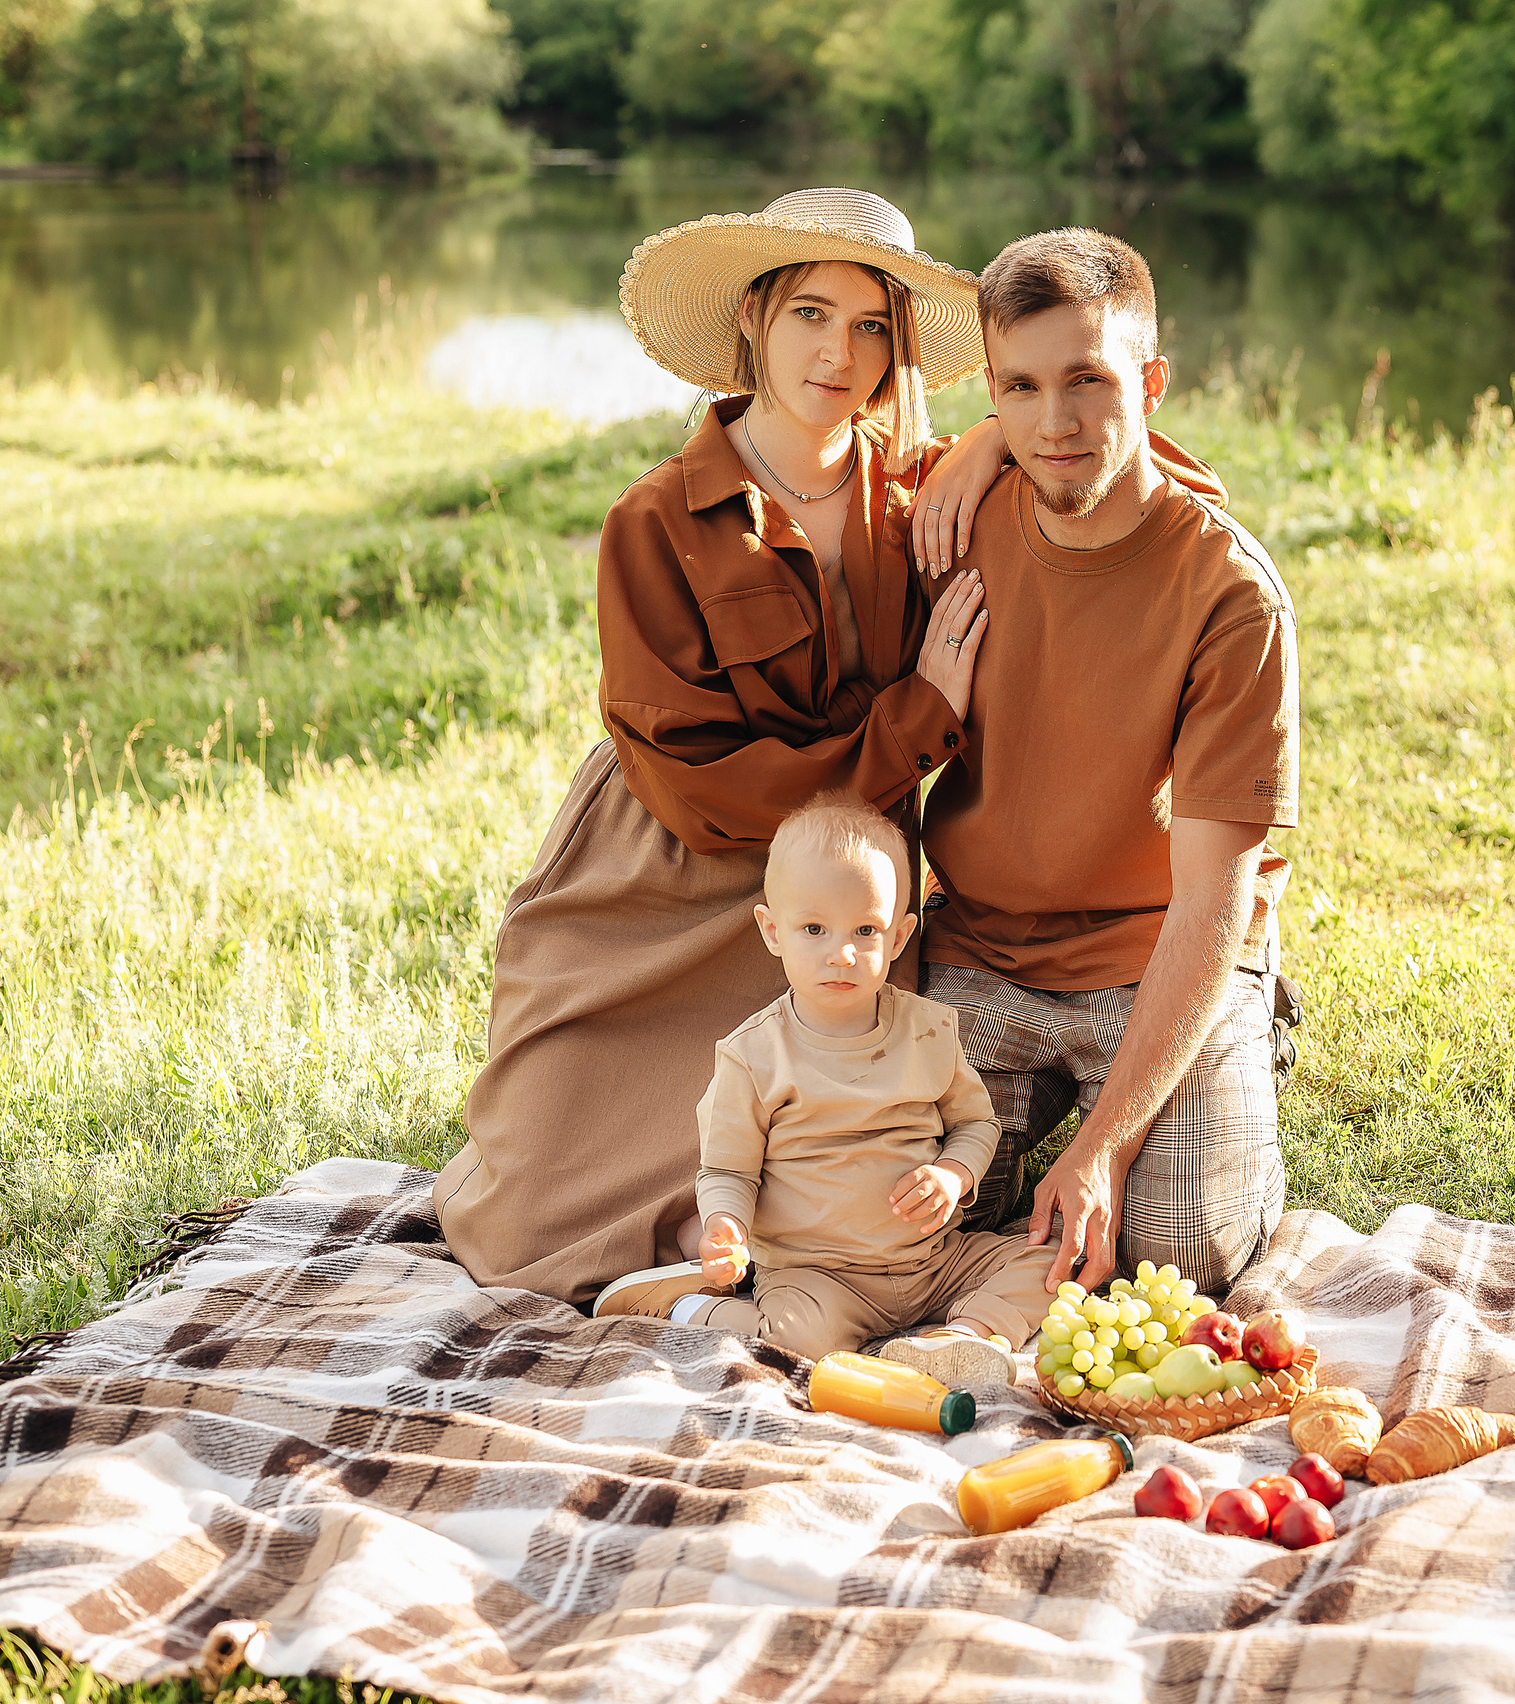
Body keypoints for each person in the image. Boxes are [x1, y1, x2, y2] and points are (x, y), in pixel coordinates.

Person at [431, 188, 1012, 1313]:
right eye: (808, 314)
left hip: (836, 895)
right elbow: (701, 786)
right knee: (535, 1220)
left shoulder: (921, 486)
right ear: (752, 318)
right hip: (670, 872)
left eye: (870, 326)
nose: (837, 354)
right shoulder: (655, 520)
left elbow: (1134, 459)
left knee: (850, 1171)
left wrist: (991, 436)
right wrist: (920, 712)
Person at [921, 228, 1299, 1298]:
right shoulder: (955, 519)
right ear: (990, 394)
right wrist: (971, 444)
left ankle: (1228, 1048)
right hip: (982, 946)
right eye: (1021, 390)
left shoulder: (1229, 595)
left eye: (1089, 381)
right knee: (875, 1216)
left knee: (1177, 1251)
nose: (1055, 424)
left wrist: (1104, 1148)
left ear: (1151, 382)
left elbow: (1212, 900)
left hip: (1160, 951)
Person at [600, 793, 1056, 1389]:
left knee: (1050, 1265)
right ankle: (691, 1304)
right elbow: (729, 1172)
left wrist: (953, 1175)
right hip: (816, 1275)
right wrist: (726, 1226)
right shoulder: (754, 1056)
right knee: (794, 1344)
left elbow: (977, 1125)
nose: (841, 953)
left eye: (865, 930)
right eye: (813, 928)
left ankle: (960, 1337)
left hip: (931, 1264)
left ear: (898, 938)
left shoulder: (928, 1030)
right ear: (772, 931)